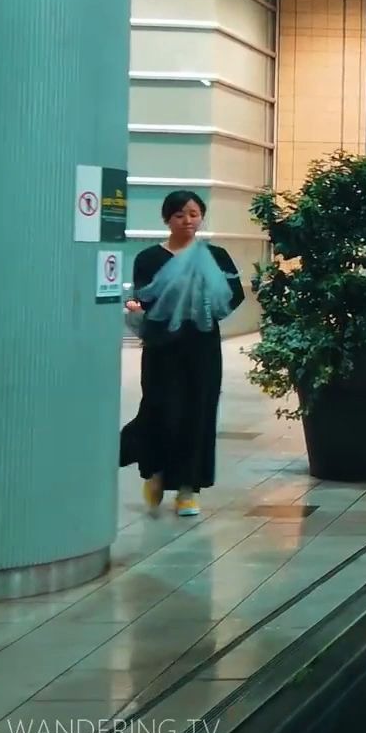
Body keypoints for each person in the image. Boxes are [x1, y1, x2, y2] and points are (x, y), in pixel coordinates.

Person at [122, 191, 245, 518]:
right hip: (163, 348)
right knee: (160, 410)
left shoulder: (216, 256)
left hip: (201, 346)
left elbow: (235, 294)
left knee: (197, 413)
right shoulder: (149, 258)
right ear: (167, 219)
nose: (187, 221)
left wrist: (205, 305)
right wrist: (139, 308)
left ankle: (189, 489)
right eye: (179, 215)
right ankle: (156, 471)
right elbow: (144, 297)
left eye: (193, 214)